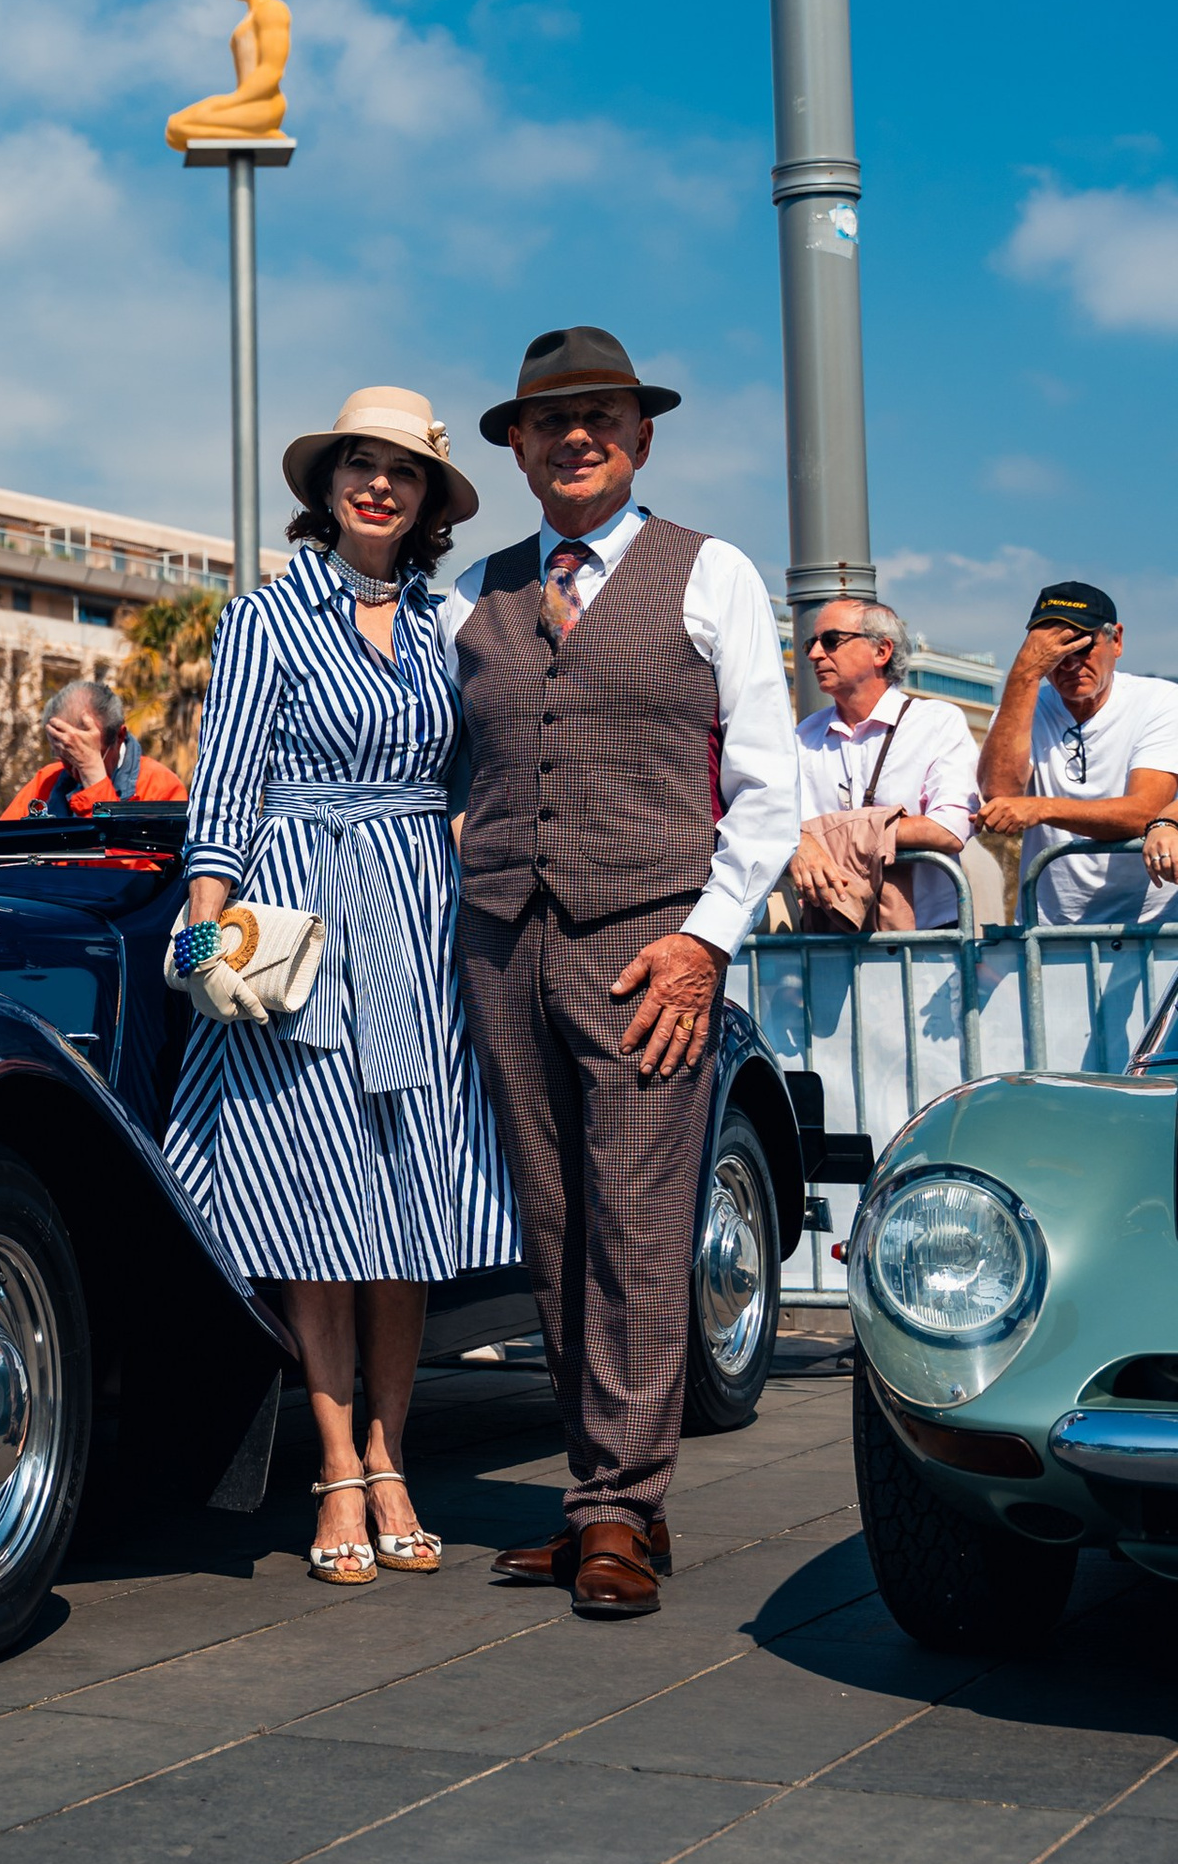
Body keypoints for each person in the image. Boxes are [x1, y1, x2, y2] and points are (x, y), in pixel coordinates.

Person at [442, 326, 798, 1621]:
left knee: (639, 1224)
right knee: (554, 1227)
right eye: (550, 421)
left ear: (640, 437)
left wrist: (706, 940)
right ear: (519, 450)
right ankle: (602, 1495)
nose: (576, 436)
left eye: (600, 416)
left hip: (649, 942)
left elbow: (769, 785)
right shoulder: (472, 595)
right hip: (502, 941)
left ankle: (618, 1510)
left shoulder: (712, 573)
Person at [166, 386, 513, 1587]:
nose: (377, 485)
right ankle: (332, 1466)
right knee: (315, 1205)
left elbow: (475, 785)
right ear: (325, 485)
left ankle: (391, 1454)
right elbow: (225, 785)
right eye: (359, 464)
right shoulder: (264, 615)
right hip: (299, 917)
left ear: (426, 501)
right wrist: (204, 938)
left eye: (401, 471)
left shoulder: (445, 627)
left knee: (404, 1209)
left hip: (415, 915)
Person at [978, 583, 1178, 929]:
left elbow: (1144, 811)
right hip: (1050, 930)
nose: (1069, 663)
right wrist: (1024, 674)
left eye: (1082, 645)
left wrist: (1040, 808)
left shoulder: (1160, 701)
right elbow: (999, 793)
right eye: (1053, 651)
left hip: (1150, 927)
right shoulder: (1021, 705)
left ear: (1116, 641)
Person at [789, 601, 980, 932]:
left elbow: (949, 829)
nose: (815, 654)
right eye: (811, 644)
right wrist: (798, 842)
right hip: (831, 935)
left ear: (881, 651)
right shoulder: (803, 736)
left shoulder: (937, 722)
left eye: (831, 640)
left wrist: (829, 834)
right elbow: (778, 823)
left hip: (927, 938)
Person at [4, 679, 186, 820]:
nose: (77, 769)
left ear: (119, 736)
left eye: (86, 752)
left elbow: (131, 857)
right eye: (68, 756)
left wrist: (94, 776)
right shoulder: (47, 781)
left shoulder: (161, 787)